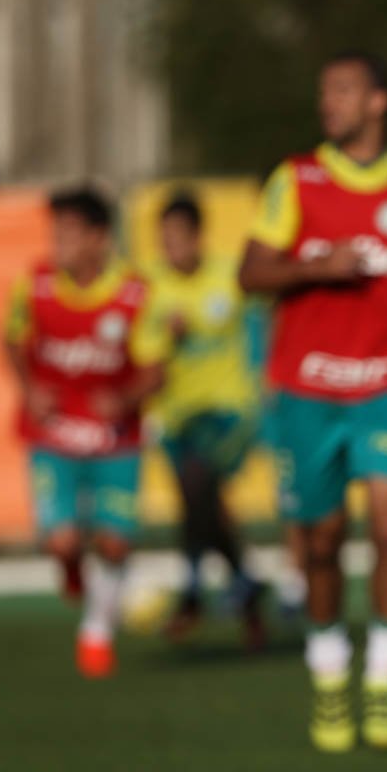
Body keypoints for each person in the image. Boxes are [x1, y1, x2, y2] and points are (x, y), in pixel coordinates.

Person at [240, 50, 387, 752]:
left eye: (341, 90)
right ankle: (330, 671)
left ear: (377, 101)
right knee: (323, 541)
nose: (327, 103)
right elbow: (250, 271)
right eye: (322, 91)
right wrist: (316, 265)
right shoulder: (296, 179)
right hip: (307, 390)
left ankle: (386, 679)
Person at [3, 185, 164, 678]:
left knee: (114, 544)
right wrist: (29, 386)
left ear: (99, 238)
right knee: (64, 542)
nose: (59, 243)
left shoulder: (135, 294)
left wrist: (127, 398)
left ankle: (96, 631)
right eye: (56, 232)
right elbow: (11, 337)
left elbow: (157, 369)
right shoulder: (36, 285)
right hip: (54, 436)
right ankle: (71, 568)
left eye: (70, 233)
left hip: (116, 440)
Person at [132, 192, 265, 647]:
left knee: (196, 482)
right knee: (204, 506)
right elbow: (142, 352)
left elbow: (262, 329)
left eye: (178, 237)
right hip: (176, 415)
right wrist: (165, 341)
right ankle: (247, 586)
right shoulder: (147, 286)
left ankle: (191, 589)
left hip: (230, 411)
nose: (170, 246)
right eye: (163, 238)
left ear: (197, 236)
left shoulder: (230, 276)